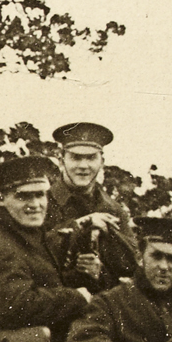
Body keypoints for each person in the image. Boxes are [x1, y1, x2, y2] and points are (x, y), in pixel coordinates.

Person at [0, 155, 92, 339]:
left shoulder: (28, 238)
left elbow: (44, 282)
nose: (35, 205)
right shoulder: (1, 248)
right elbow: (17, 307)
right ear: (2, 199)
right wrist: (76, 297)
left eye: (40, 194)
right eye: (23, 196)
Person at [45, 122, 138, 288]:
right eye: (75, 157)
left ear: (102, 162)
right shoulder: (43, 204)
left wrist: (100, 272)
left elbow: (131, 268)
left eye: (91, 158)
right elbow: (30, 258)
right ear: (61, 160)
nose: (83, 166)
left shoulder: (113, 210)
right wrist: (80, 226)